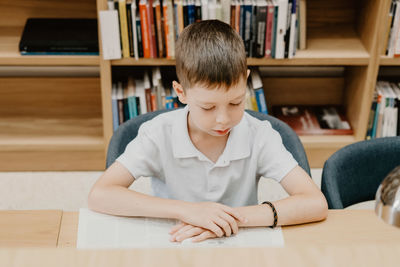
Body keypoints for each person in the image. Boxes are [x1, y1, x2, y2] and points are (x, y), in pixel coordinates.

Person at [88, 20, 328, 243]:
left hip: (240, 241)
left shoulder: (260, 134)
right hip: (174, 241)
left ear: (245, 81)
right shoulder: (158, 133)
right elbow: (100, 194)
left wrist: (225, 219)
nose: (223, 120)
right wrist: (189, 211)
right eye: (208, 107)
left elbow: (315, 202)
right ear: (180, 93)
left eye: (235, 102)